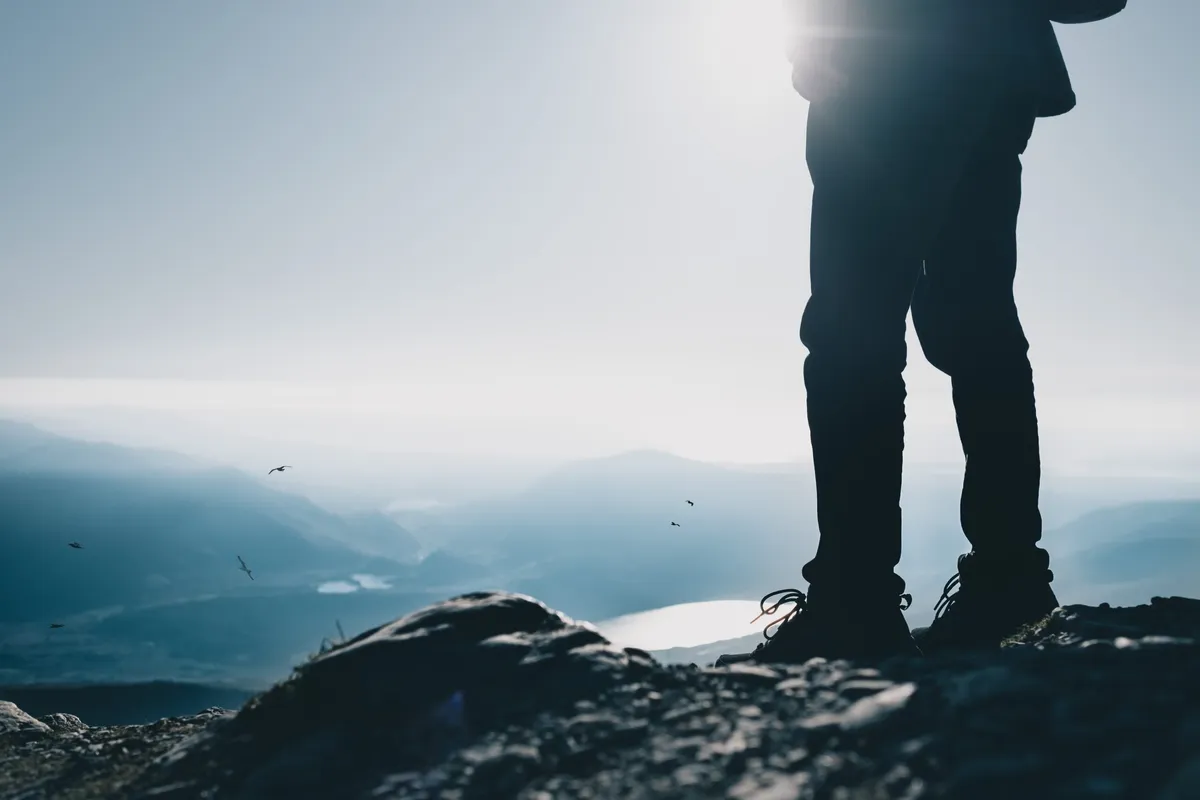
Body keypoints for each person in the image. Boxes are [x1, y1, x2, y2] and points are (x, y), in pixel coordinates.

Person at [718, 0, 1127, 666]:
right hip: (992, 68)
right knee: (976, 324)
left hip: (880, 60)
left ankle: (856, 602)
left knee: (856, 330)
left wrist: (814, 36)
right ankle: (1009, 580)